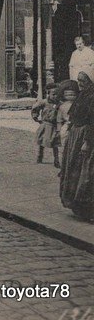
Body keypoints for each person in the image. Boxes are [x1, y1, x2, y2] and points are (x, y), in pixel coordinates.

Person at [59, 66, 94, 222]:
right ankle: (76, 206)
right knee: (74, 170)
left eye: (83, 80)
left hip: (86, 138)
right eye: (78, 80)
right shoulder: (82, 96)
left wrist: (87, 142)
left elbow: (91, 121)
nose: (79, 83)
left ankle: (87, 209)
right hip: (76, 137)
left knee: (85, 173)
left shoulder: (92, 97)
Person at [31, 86, 60, 167]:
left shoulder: (59, 104)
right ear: (48, 94)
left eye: (57, 94)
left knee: (55, 143)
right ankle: (39, 157)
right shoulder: (44, 102)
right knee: (41, 141)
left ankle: (56, 160)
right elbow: (35, 108)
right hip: (45, 124)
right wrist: (36, 117)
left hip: (54, 126)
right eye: (53, 94)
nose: (55, 96)